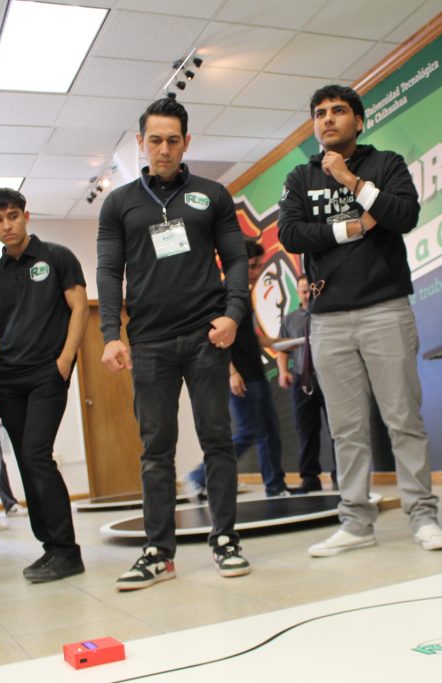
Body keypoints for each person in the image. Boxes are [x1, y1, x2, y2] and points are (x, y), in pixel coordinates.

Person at [278, 85, 442, 557]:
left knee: (403, 420)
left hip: (385, 308)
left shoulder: (385, 164)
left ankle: (423, 517)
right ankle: (355, 523)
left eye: (338, 111)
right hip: (328, 319)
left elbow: (404, 215)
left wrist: (351, 181)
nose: (328, 119)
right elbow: (291, 233)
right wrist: (352, 227)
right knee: (346, 429)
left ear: (358, 120)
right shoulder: (300, 176)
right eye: (320, 113)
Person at [98, 97, 251, 591]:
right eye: (154, 140)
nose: (163, 149)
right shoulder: (119, 203)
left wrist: (232, 315)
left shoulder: (212, 194)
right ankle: (158, 553)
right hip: (149, 343)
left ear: (187, 142)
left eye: (172, 140)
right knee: (155, 450)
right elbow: (108, 271)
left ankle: (225, 539)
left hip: (207, 337)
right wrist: (110, 334)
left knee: (217, 441)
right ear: (140, 143)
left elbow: (236, 260)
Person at [0, 188, 87, 583]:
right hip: (9, 379)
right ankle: (50, 548)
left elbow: (79, 307)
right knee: (27, 463)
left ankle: (68, 551)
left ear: (26, 216)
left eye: (12, 216)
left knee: (37, 455)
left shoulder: (57, 257)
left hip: (47, 374)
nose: (6, 225)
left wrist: (65, 360)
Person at [186, 240, 289, 499]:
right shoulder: (223, 296)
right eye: (252, 266)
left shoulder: (244, 295)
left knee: (269, 432)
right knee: (248, 431)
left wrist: (288, 342)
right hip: (241, 376)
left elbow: (252, 338)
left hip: (256, 374)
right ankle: (199, 477)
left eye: (259, 266)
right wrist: (232, 373)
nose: (256, 272)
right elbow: (217, 338)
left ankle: (275, 487)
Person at [277, 274, 331, 493]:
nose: (306, 294)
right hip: (303, 379)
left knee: (337, 428)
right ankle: (310, 478)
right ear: (297, 292)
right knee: (306, 431)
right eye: (303, 291)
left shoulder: (326, 312)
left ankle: (342, 475)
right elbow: (282, 350)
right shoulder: (289, 320)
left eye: (309, 290)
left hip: (329, 375)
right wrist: (283, 372)